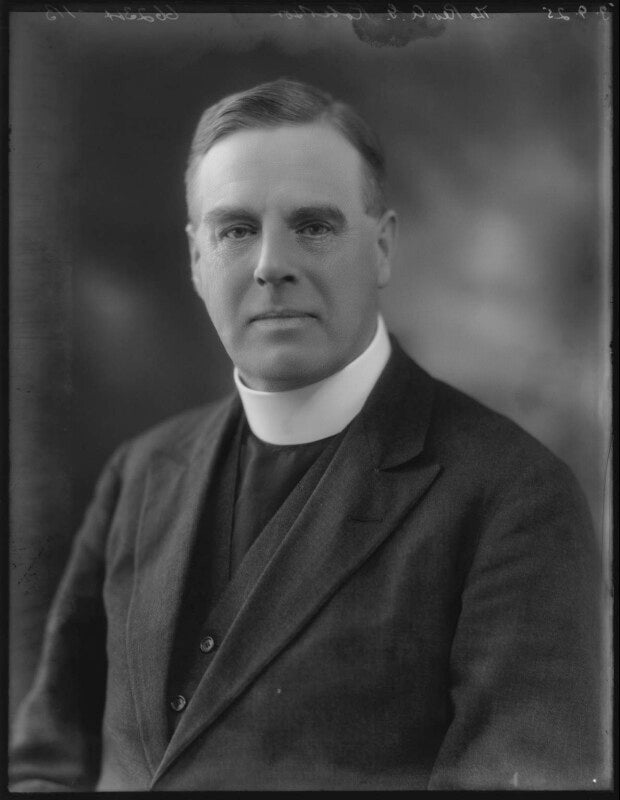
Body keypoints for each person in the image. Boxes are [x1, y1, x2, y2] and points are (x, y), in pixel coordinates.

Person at [9, 78, 604, 791]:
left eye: (313, 226)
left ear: (382, 247)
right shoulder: (138, 473)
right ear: (197, 259)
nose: (271, 266)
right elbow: (48, 764)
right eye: (236, 230)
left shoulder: (515, 499)